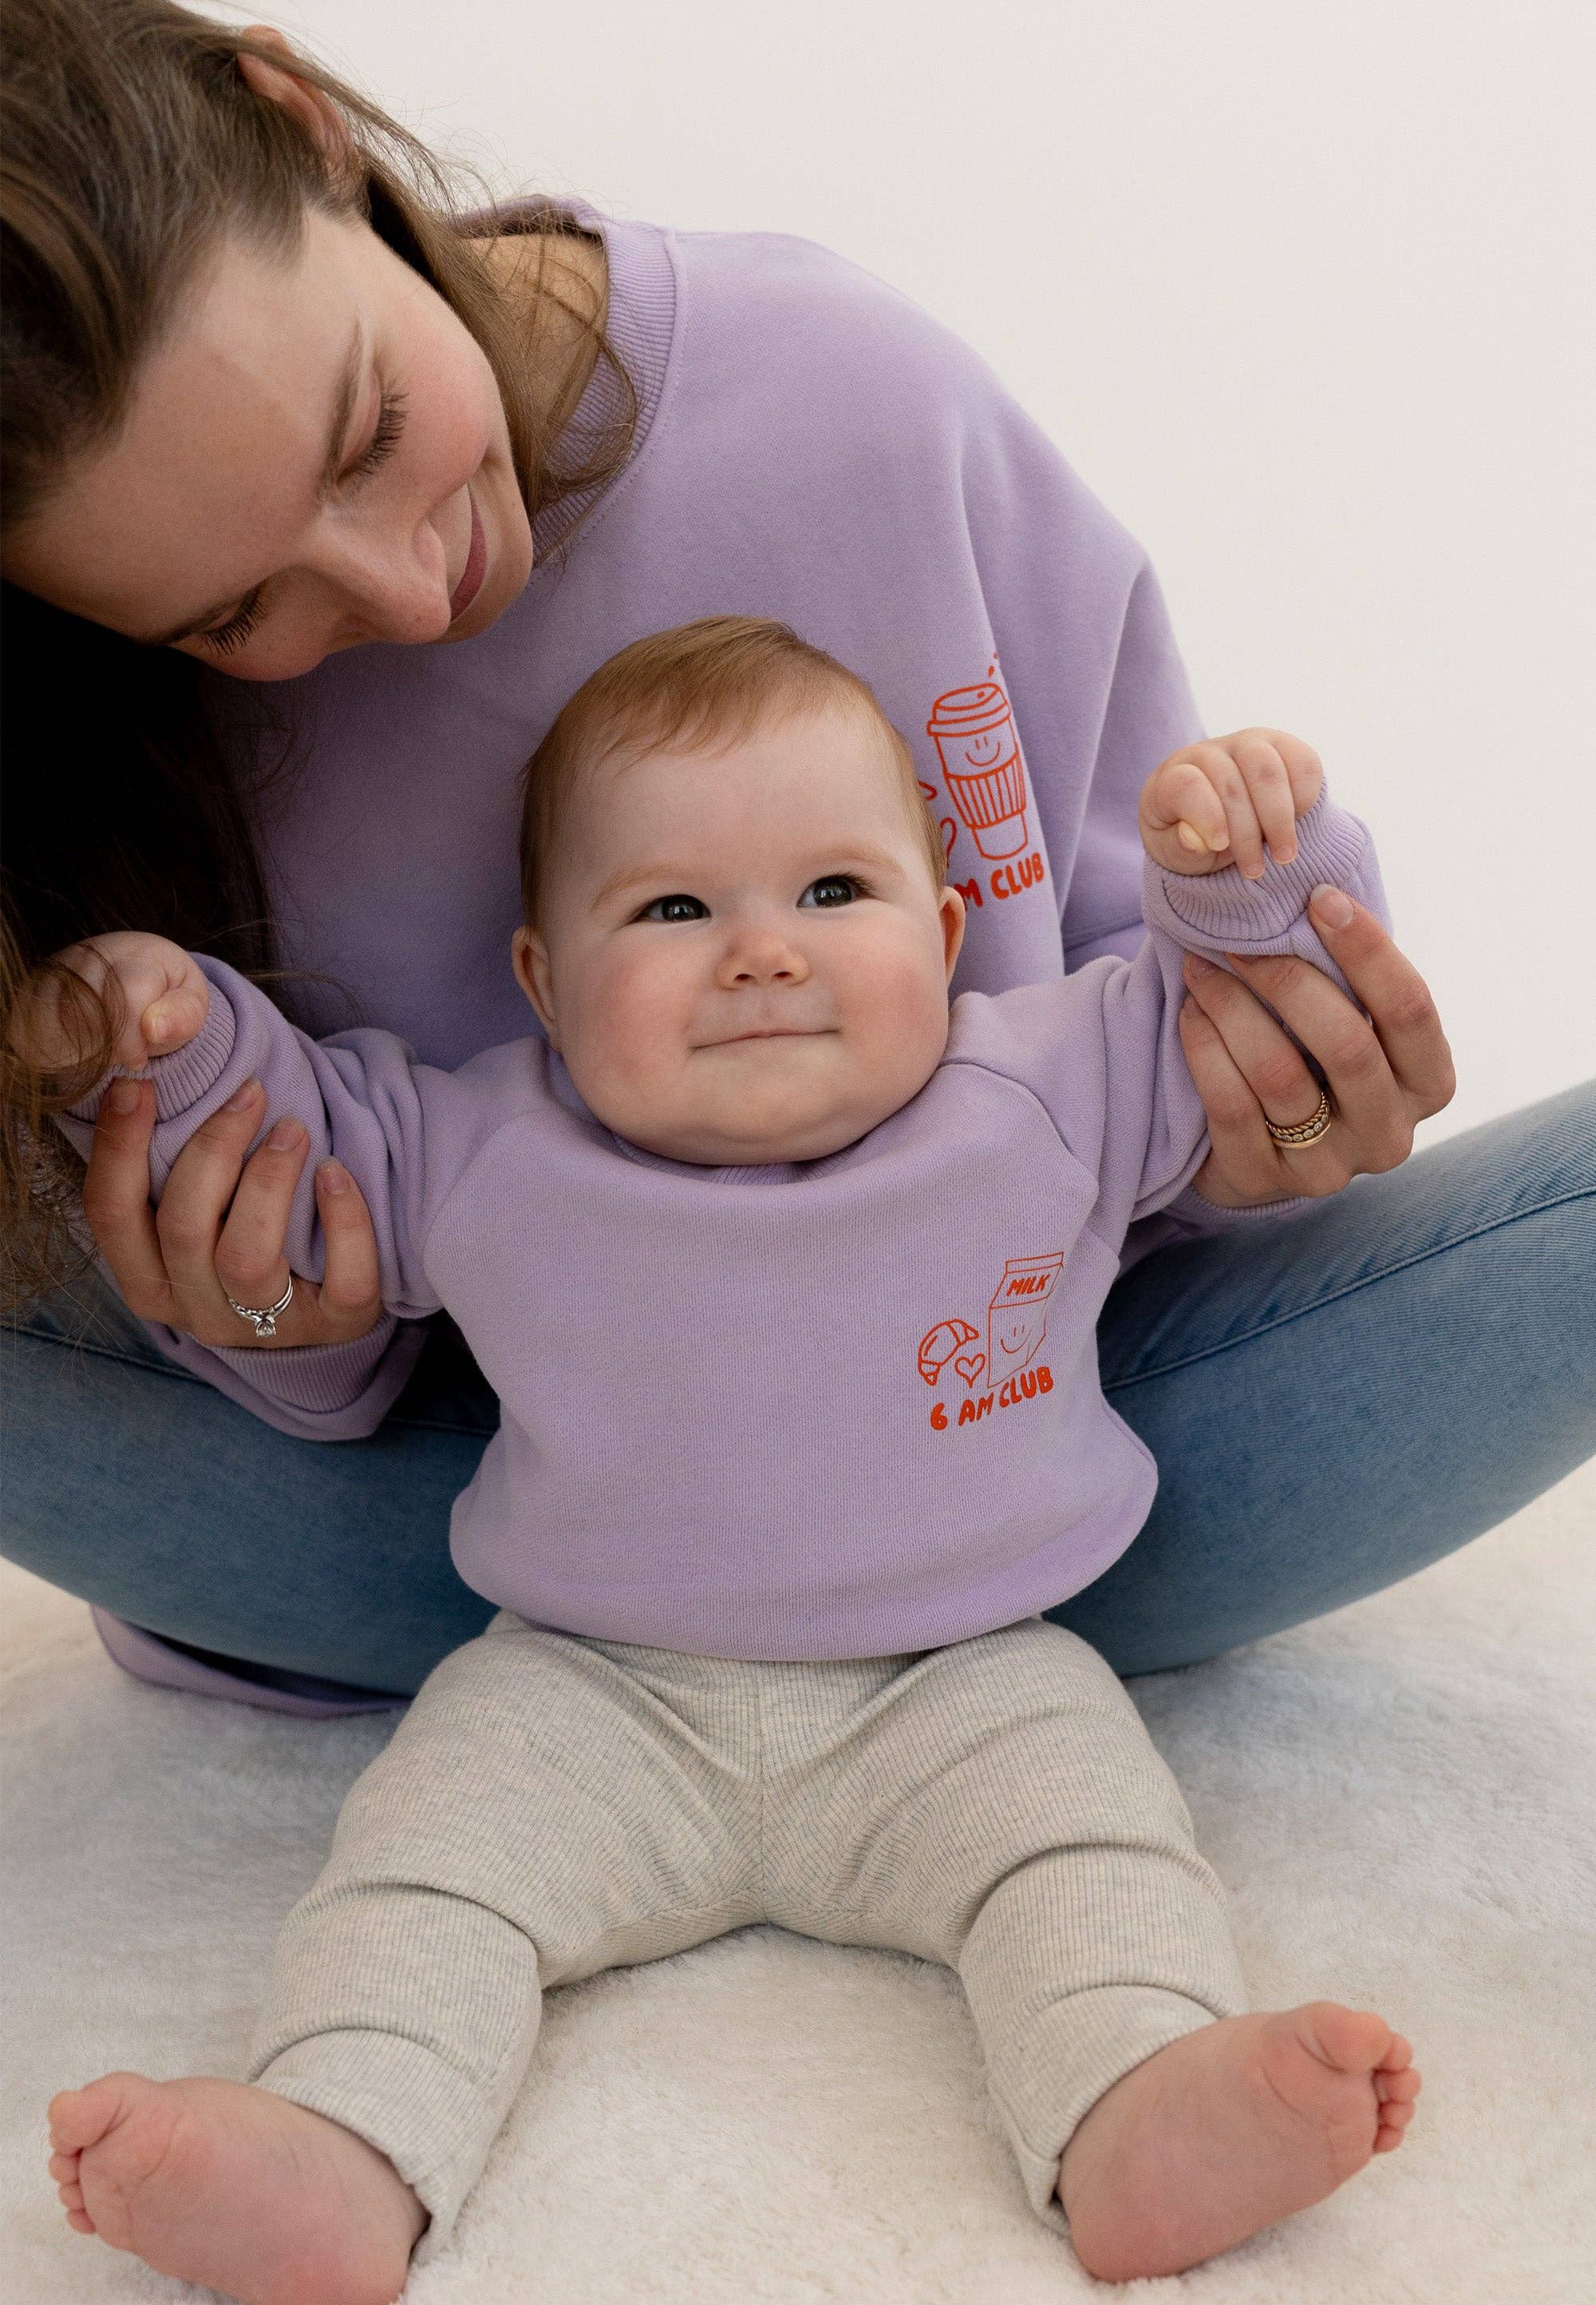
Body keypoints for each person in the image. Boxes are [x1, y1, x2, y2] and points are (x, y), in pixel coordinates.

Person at [2, 1, 1590, 1707]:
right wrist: (267, 1322)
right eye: (235, 611)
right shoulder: (102, 731)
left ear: (301, 122)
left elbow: (1165, 1034)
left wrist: (1275, 1072)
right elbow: (320, 1267)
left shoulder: (854, 404)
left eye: (369, 431)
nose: (403, 591)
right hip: (476, 1554)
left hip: (1030, 1462)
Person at [30, 622, 1420, 2297]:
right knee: (423, 1875)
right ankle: (343, 2136)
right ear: (544, 979)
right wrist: (168, 1039)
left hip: (966, 1679)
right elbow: (294, 1154)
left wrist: (1252, 868)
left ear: (946, 932)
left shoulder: (1049, 1083)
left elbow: (1244, 1022)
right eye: (674, 910)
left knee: (1091, 1858)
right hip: (589, 1692)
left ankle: (1134, 2102)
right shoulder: (482, 1142)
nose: (762, 954)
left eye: (834, 890)